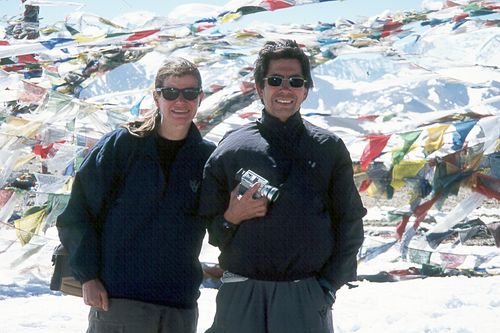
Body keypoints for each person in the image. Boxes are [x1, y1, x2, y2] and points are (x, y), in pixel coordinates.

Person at [199, 39, 367, 333]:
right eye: (275, 80)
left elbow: (350, 222)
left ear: (306, 90)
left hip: (304, 294)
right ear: (259, 88)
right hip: (241, 295)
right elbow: (210, 229)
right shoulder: (231, 149)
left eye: (295, 81)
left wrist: (327, 287)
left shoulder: (329, 149)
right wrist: (231, 217)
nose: (285, 88)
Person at [57, 57, 215, 333]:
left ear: (200, 97)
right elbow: (78, 213)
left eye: (189, 93)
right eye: (170, 92)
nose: (180, 101)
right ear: (156, 97)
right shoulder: (123, 145)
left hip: (179, 305)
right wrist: (88, 277)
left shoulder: (206, 158)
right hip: (119, 299)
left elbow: (221, 220)